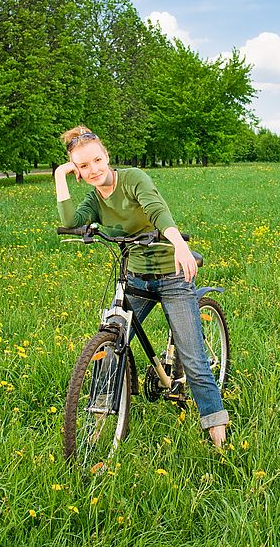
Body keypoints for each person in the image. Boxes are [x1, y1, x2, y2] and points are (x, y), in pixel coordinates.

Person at [54, 126, 229, 447]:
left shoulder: (134, 178)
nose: (93, 170)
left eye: (97, 160)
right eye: (83, 166)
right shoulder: (94, 197)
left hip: (172, 276)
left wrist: (177, 242)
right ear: (77, 170)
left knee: (194, 361)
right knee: (109, 349)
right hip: (134, 276)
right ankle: (97, 428)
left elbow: (156, 209)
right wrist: (60, 176)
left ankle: (219, 438)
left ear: (107, 156)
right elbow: (71, 222)